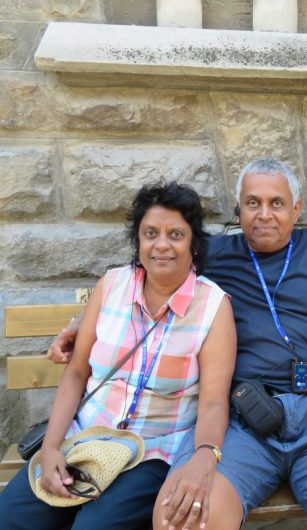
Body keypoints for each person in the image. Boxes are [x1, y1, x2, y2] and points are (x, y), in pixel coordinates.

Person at [48, 158, 307, 530]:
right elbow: (148, 279)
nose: (264, 214)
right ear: (238, 208)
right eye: (252, 203)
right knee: (181, 519)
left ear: (296, 208)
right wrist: (81, 324)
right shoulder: (212, 256)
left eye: (276, 203)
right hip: (241, 422)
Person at [1, 181, 236, 530]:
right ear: (138, 240)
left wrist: (205, 455)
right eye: (150, 232)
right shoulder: (112, 286)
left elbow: (214, 403)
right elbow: (77, 373)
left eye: (175, 234)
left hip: (155, 450)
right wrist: (50, 448)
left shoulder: (212, 307)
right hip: (85, 438)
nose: (161, 245)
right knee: (9, 518)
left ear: (194, 245)